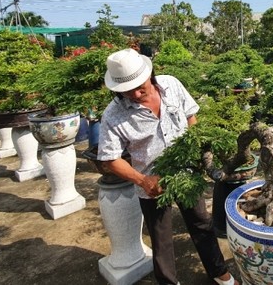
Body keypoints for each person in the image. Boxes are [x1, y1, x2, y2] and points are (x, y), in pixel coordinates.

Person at [97, 48, 239, 285]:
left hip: (186, 173)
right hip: (151, 182)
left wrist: (198, 152)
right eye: (127, 90)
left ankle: (220, 274)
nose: (135, 92)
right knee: (161, 240)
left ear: (149, 74)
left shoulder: (171, 85)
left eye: (139, 85)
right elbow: (110, 159)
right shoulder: (113, 115)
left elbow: (191, 117)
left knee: (202, 224)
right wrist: (143, 180)